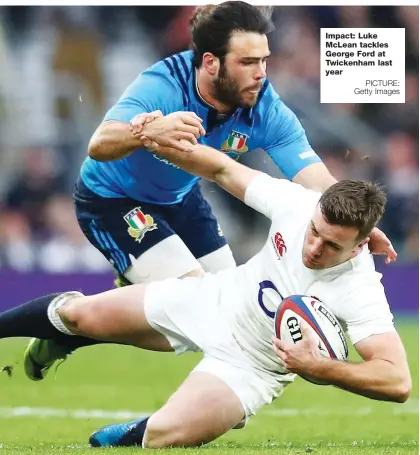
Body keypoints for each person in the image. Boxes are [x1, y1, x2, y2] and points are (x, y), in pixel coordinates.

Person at [23, 1, 396, 382]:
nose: (261, 74)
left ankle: (70, 332)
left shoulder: (264, 108)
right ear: (212, 62)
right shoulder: (164, 85)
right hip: (113, 198)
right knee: (195, 308)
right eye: (248, 62)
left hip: (181, 198)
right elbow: (99, 144)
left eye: (264, 60)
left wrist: (358, 225)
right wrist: (146, 131)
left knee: (229, 311)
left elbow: (314, 177)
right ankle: (68, 318)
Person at [0, 142, 411, 448]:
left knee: (162, 436)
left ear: (360, 246)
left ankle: (162, 422)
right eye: (315, 232)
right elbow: (222, 168)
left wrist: (322, 368)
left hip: (252, 367)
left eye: (332, 247)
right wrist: (156, 139)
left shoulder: (360, 287)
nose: (314, 248)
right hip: (213, 299)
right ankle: (48, 334)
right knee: (79, 315)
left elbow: (397, 380)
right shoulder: (299, 204)